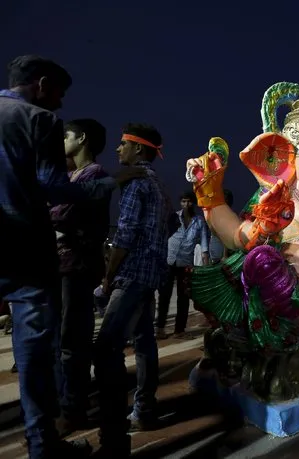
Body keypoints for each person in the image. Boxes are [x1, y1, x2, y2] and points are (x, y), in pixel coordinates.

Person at [0, 55, 141, 459]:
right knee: (35, 357)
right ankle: (43, 444)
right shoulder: (36, 120)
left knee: (66, 345)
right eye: (59, 93)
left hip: (63, 263)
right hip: (24, 253)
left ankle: (64, 417)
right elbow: (53, 188)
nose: (59, 105)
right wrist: (110, 184)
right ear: (41, 84)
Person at [93, 123, 172, 456]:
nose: (117, 149)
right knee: (143, 343)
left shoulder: (135, 183)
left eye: (123, 144)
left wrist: (109, 275)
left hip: (132, 275)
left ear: (138, 149)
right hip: (150, 274)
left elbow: (124, 235)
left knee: (107, 348)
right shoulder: (157, 186)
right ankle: (144, 410)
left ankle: (112, 430)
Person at [49, 119, 111, 435]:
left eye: (67, 136)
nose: (63, 141)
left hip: (76, 267)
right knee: (65, 340)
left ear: (81, 139)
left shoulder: (94, 175)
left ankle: (73, 410)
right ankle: (70, 404)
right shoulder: (73, 175)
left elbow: (61, 213)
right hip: (64, 266)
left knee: (71, 341)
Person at [156, 190, 209, 339]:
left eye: (189, 201)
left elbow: (204, 243)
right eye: (183, 202)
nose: (186, 204)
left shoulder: (199, 221)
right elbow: (164, 234)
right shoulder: (173, 217)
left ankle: (180, 330)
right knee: (164, 296)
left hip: (186, 263)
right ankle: (160, 328)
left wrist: (205, 267)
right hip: (169, 260)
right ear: (180, 203)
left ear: (193, 203)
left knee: (183, 297)